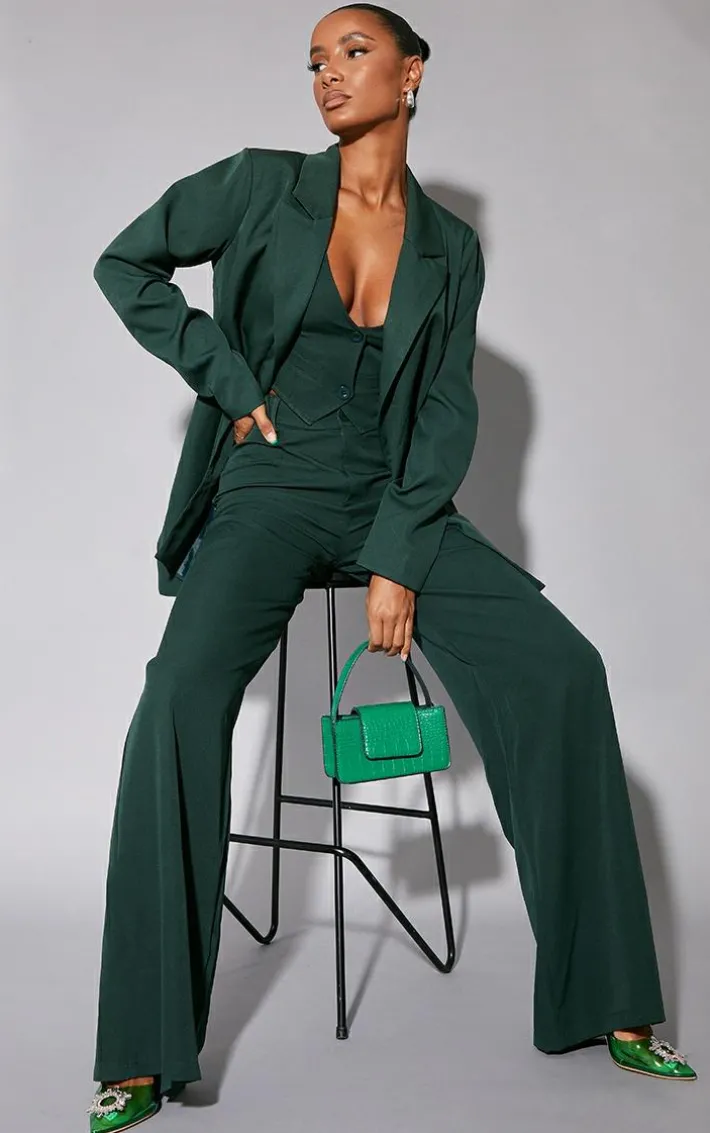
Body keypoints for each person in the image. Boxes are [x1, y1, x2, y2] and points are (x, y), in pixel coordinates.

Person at [85, 4, 698, 1129]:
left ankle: (608, 1000)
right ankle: (139, 1047)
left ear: (411, 74)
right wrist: (225, 376)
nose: (328, 74)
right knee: (176, 697)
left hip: (393, 498)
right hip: (268, 491)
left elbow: (447, 410)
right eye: (315, 60)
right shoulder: (260, 184)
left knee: (563, 670)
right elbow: (125, 262)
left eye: (353, 52)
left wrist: (399, 559)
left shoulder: (449, 247)